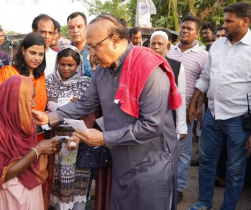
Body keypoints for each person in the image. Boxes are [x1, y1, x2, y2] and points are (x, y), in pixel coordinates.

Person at [32, 14, 182, 210]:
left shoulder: (149, 69)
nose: (91, 55)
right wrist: (49, 117)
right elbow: (85, 103)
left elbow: (152, 126)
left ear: (114, 40)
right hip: (121, 160)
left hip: (152, 164)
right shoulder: (102, 71)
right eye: (89, 48)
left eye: (94, 47)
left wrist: (104, 139)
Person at [188, 2, 251, 210]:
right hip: (212, 116)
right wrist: (195, 102)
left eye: (229, 21)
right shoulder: (217, 45)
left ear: (245, 21)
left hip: (239, 120)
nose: (224, 26)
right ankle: (204, 202)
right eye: (224, 21)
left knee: (235, 169)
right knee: (207, 163)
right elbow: (206, 77)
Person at [0, 75, 61, 210]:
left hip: (31, 189)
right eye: (30, 98)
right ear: (14, 100)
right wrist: (38, 151)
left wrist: (48, 150)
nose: (34, 104)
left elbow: (32, 162)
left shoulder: (23, 121)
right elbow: (1, 175)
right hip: (7, 196)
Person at [167, 15, 208, 203]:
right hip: (166, 108)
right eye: (183, 27)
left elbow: (205, 82)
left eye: (189, 29)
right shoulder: (169, 51)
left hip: (186, 110)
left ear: (197, 33)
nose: (184, 31)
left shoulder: (204, 55)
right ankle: (165, 183)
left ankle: (179, 186)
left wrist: (197, 105)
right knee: (166, 148)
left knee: (183, 151)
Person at [45, 46, 92, 210]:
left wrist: (77, 105)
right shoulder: (49, 81)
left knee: (74, 179)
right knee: (54, 176)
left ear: (78, 65)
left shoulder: (86, 83)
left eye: (70, 65)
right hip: (54, 137)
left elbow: (91, 109)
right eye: (62, 64)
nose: (65, 69)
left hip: (76, 137)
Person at [0, 32, 47, 119]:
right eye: (32, 53)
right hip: (10, 131)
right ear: (23, 51)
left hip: (37, 131)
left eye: (41, 54)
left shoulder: (41, 75)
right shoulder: (8, 73)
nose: (37, 58)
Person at [150, 30, 188, 141]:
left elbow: (181, 96)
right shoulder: (142, 65)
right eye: (153, 44)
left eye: (160, 44)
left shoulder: (177, 66)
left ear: (168, 46)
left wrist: (181, 127)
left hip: (169, 117)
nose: (156, 47)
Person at [67, 12, 92, 78]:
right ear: (68, 30)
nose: (75, 30)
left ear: (86, 27)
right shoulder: (64, 53)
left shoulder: (95, 51)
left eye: (79, 27)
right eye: (71, 28)